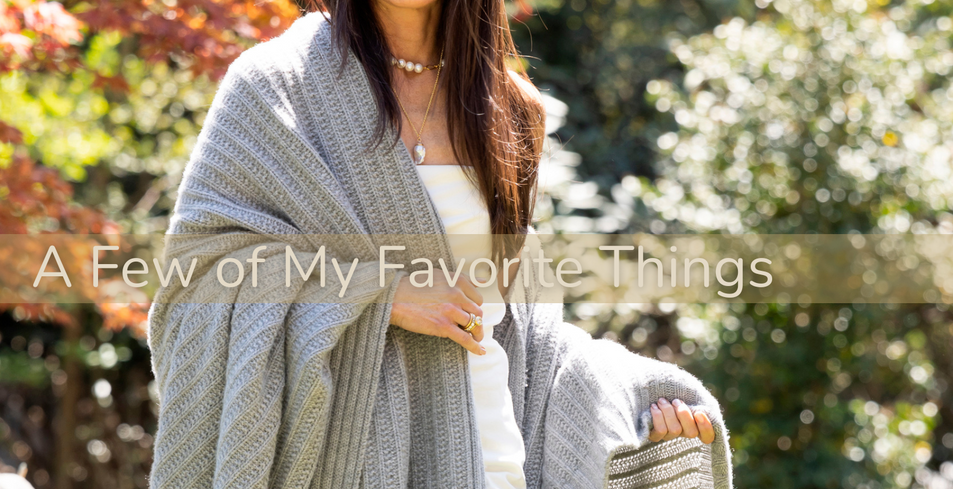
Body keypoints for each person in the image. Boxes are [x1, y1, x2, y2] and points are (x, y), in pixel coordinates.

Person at [145, 1, 733, 487]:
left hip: (495, 458)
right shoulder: (274, 90)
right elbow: (199, 280)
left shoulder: (510, 108)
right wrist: (381, 294)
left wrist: (632, 404)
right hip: (347, 464)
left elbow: (521, 330)